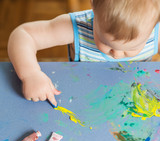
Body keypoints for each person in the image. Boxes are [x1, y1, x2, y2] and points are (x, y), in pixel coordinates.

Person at [8, 0, 160, 106]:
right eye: (106, 43)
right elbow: (23, 35)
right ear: (93, 6)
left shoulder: (156, 32)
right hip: (83, 98)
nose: (117, 55)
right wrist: (31, 74)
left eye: (132, 48)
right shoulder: (77, 27)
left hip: (137, 97)